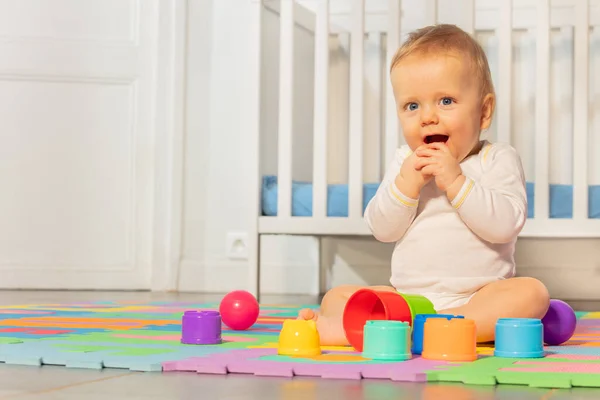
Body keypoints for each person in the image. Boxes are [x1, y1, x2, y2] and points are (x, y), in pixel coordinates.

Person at [297, 24, 550, 345]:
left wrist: (456, 182)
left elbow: (505, 225)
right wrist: (406, 186)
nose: (427, 117)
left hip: (478, 296)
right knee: (336, 296)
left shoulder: (495, 158)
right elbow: (382, 229)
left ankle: (414, 330)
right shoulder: (406, 161)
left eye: (445, 101)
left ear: (484, 112)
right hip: (409, 300)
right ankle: (415, 327)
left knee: (531, 294)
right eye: (412, 106)